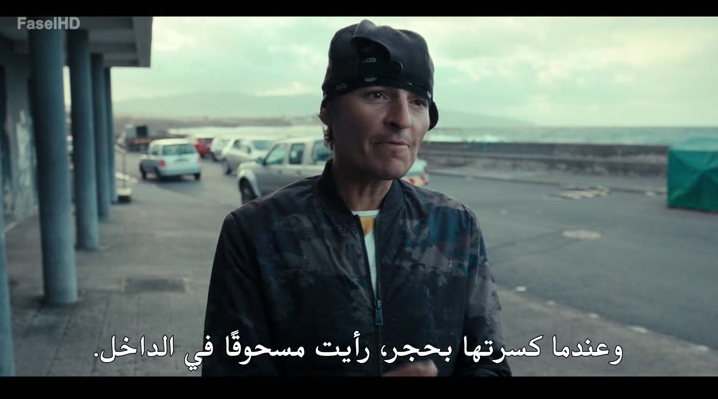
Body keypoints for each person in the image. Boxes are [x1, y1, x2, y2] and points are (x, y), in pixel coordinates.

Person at [201, 19, 511, 377]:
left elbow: (489, 364)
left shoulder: (455, 225)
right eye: (376, 94)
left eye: (417, 102)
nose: (402, 119)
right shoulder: (255, 232)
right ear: (328, 112)